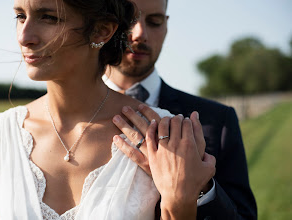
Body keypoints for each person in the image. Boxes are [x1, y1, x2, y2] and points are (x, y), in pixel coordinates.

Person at [0, 0, 216, 219]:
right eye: (20, 16)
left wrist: (180, 203)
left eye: (49, 17)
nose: (24, 36)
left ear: (101, 31)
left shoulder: (163, 134)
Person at [104, 0, 257, 219]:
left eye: (154, 22)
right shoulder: (57, 117)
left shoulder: (218, 120)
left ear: (166, 26)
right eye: (128, 20)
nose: (140, 34)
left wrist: (200, 187)